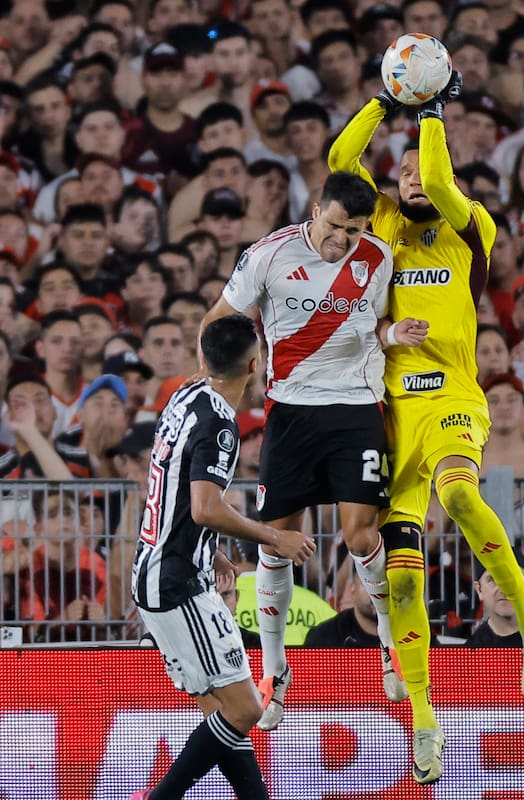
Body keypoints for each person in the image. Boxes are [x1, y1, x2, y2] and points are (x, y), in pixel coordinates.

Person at [329, 71, 524, 785]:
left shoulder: (471, 226)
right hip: (395, 413)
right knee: (400, 580)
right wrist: (382, 103)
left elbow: (437, 173)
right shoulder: (388, 225)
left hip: (456, 397)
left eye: (423, 172)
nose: (413, 180)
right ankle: (426, 720)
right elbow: (342, 165)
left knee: (459, 496)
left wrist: (428, 113)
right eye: (402, 174)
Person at [196, 171, 426, 730]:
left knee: (361, 536)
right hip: (290, 413)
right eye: (333, 226)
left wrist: (395, 336)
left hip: (356, 408)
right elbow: (216, 323)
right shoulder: (269, 255)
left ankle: (390, 646)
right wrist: (215, 397)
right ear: (315, 209)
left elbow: (374, 328)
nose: (341, 239)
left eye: (352, 230)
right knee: (274, 547)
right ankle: (274, 671)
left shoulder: (377, 256)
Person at [130, 314, 314, 800]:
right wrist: (275, 540)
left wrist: (210, 550)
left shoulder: (184, 395)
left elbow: (181, 489)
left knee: (223, 709)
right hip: (176, 584)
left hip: (167, 569)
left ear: (202, 358)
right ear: (256, 364)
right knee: (246, 709)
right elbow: (205, 506)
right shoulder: (221, 425)